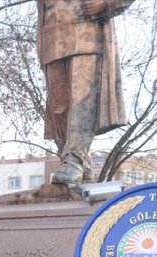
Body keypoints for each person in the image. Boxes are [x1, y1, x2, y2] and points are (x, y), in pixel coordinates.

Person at [37, 0, 135, 184]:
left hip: (86, 34)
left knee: (82, 102)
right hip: (52, 38)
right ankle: (83, 165)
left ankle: (74, 160)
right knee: (59, 109)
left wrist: (107, 3)